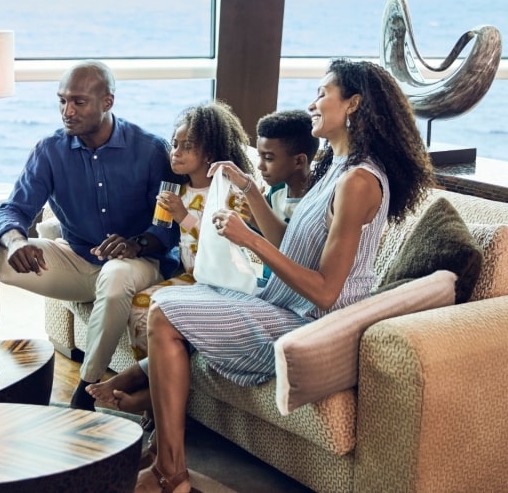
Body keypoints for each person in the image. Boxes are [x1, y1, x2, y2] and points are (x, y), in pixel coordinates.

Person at [137, 59, 435, 493]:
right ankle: (166, 457)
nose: (312, 103)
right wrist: (250, 190)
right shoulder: (335, 166)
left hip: (312, 321)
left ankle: (171, 471)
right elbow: (292, 242)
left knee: (164, 315)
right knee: (170, 306)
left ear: (352, 104)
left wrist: (248, 240)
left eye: (321, 94)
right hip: (283, 303)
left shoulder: (359, 182)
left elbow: (327, 290)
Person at [0, 60, 180, 410]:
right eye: (62, 101)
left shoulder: (150, 150)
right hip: (77, 259)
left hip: (138, 263)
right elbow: (12, 210)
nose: (67, 111)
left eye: (78, 102)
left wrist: (136, 243)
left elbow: (169, 228)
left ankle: (86, 389)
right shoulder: (50, 150)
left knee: (117, 273)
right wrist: (16, 241)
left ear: (107, 102)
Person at [87, 100, 254, 415]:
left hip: (222, 280)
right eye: (174, 144)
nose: (175, 152)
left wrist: (184, 217)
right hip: (193, 276)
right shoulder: (178, 189)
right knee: (141, 304)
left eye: (186, 146)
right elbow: (161, 233)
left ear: (209, 152)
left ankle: (151, 396)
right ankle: (154, 386)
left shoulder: (230, 191)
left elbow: (231, 245)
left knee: (157, 306)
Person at [255, 108, 319, 284]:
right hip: (263, 278)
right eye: (259, 156)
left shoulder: (317, 200)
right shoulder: (276, 191)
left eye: (268, 158)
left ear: (299, 161)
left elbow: (291, 246)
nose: (260, 166)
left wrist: (251, 193)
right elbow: (265, 234)